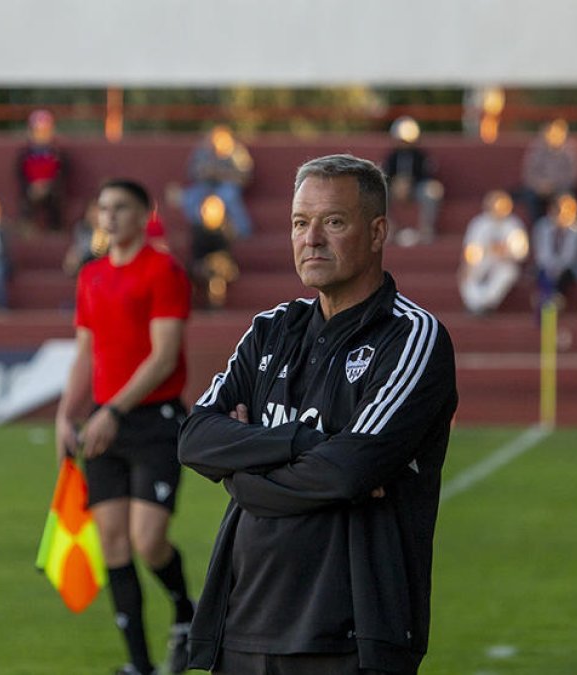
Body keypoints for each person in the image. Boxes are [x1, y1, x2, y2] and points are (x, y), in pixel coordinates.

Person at [179, 154, 458, 674]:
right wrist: (304, 441)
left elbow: (346, 471)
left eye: (333, 222)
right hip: (244, 624)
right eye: (299, 223)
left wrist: (242, 476)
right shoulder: (271, 329)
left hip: (348, 635)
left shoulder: (412, 337)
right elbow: (195, 437)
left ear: (377, 232)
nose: (311, 239)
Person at [54, 179, 196, 675]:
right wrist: (65, 414)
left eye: (120, 208)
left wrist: (112, 412)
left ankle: (186, 613)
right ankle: (139, 665)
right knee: (112, 542)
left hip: (153, 420)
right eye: (103, 208)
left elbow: (164, 357)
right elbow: (85, 355)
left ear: (143, 215)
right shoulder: (91, 275)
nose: (109, 216)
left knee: (148, 540)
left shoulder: (164, 270)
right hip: (103, 423)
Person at [458, 189, 528, 315]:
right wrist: (469, 265)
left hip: (505, 261)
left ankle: (487, 304)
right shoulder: (479, 223)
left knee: (508, 272)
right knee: (468, 273)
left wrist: (505, 252)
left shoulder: (514, 224)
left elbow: (520, 253)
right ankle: (474, 304)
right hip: (483, 259)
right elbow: (471, 248)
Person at [181, 124, 255, 240]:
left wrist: (222, 174)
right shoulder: (203, 152)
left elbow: (245, 177)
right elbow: (192, 172)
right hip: (205, 185)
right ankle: (201, 230)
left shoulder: (237, 154)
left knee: (228, 196)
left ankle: (242, 229)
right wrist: (206, 172)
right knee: (190, 198)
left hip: (227, 186)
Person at [382, 115, 444, 246]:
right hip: (395, 190)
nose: (404, 144)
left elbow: (428, 176)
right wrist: (396, 184)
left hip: (416, 189)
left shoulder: (421, 156)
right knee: (377, 191)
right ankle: (388, 227)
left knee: (432, 191)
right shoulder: (391, 156)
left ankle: (426, 229)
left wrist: (409, 183)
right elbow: (384, 174)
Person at [516, 118, 577, 224]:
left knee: (565, 200)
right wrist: (540, 186)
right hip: (539, 189)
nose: (552, 136)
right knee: (530, 198)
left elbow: (574, 176)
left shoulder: (571, 151)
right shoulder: (536, 149)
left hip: (562, 189)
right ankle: (538, 227)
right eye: (549, 132)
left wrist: (553, 186)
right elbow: (529, 173)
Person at [532, 192, 577, 309]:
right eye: (558, 210)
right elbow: (542, 253)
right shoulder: (542, 226)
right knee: (543, 272)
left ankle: (552, 297)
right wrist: (551, 267)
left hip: (569, 267)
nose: (562, 214)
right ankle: (549, 297)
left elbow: (570, 255)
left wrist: (558, 268)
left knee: (563, 273)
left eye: (567, 210)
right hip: (547, 266)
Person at [16, 109, 66, 232]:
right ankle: (27, 227)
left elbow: (62, 175)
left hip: (51, 190)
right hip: (31, 190)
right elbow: (21, 176)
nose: (41, 135)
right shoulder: (24, 155)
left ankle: (55, 229)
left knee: (55, 200)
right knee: (27, 201)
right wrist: (33, 187)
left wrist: (47, 186)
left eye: (44, 131)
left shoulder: (58, 154)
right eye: (37, 131)